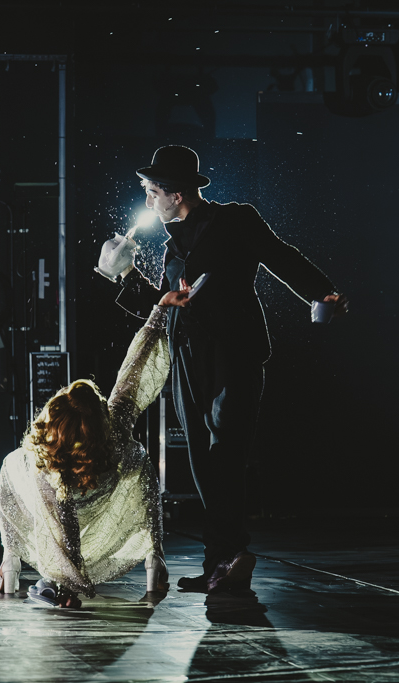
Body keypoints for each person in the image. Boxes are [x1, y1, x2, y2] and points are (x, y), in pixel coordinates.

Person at [105, 145, 348, 594]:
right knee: (202, 459)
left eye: (152, 192)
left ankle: (231, 554)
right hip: (187, 359)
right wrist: (123, 274)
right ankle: (222, 560)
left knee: (226, 453)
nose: (148, 202)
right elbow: (163, 305)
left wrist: (321, 291)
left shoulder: (235, 221)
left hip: (232, 354)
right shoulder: (172, 247)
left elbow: (280, 256)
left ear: (176, 194)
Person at [0, 291, 191, 607]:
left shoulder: (43, 465)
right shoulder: (112, 430)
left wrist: (69, 585)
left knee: (12, 464)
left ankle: (10, 560)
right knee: (139, 461)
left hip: (78, 489)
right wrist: (160, 311)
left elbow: (65, 528)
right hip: (103, 479)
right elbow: (133, 373)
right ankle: (155, 558)